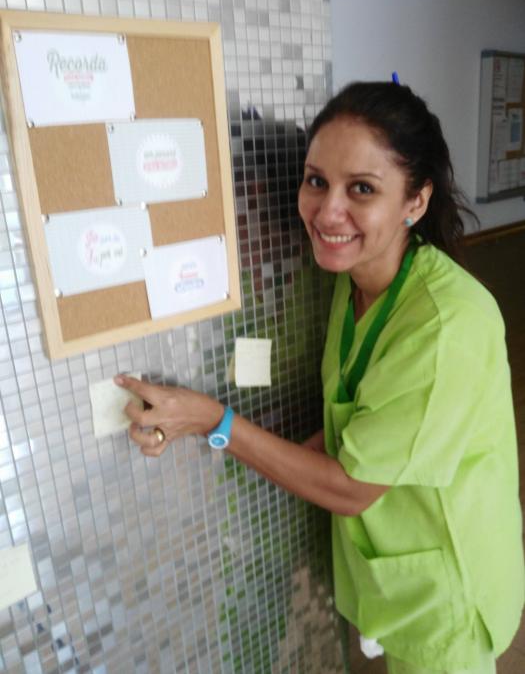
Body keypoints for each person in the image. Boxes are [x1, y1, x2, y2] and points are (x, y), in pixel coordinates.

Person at [115, 81, 525, 673]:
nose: (328, 211)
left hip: (448, 595)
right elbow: (353, 422)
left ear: (415, 201)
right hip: (398, 575)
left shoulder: (447, 325)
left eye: (362, 188)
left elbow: (351, 487)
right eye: (316, 181)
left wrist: (211, 421)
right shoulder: (351, 282)